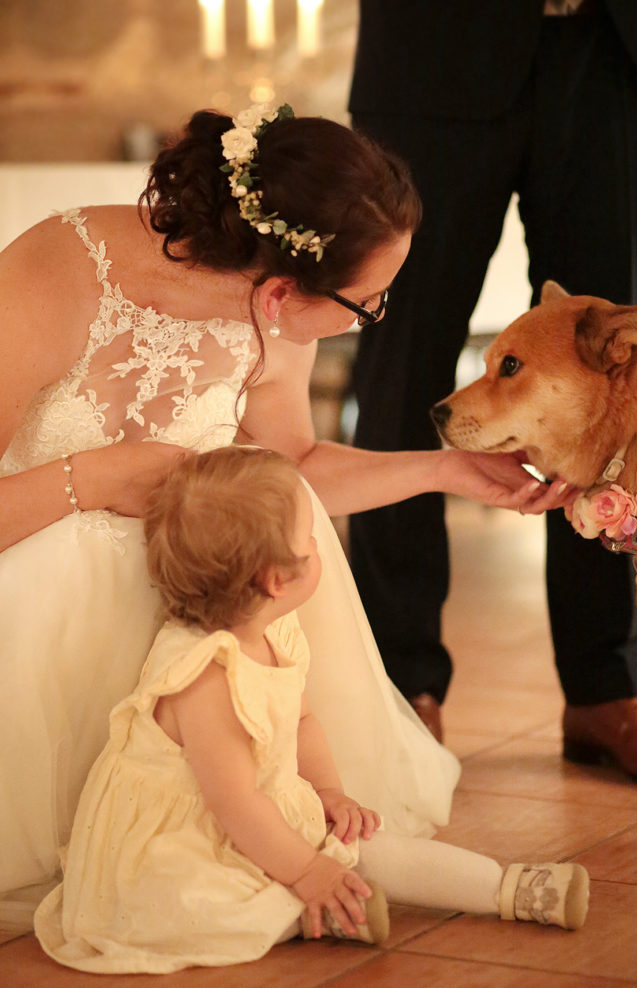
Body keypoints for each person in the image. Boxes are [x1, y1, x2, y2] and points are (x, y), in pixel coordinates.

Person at [0, 103, 573, 929]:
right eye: (367, 303)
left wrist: (448, 468)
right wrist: (88, 480)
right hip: (34, 599)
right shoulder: (62, 267)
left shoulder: (276, 321)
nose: (366, 321)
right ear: (280, 287)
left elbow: (292, 470)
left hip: (197, 598)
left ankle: (261, 834)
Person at [33, 447, 589, 973]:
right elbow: (232, 802)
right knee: (204, 905)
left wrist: (328, 792)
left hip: (262, 812)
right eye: (310, 539)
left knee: (370, 851)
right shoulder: (206, 675)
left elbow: (300, 723)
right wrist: (304, 869)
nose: (321, 546)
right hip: (189, 838)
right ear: (278, 579)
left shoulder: (277, 634)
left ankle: (507, 888)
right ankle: (310, 910)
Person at [348, 0, 637, 771]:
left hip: (623, 48)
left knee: (614, 387)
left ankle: (606, 688)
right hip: (433, 54)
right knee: (402, 368)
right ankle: (400, 685)